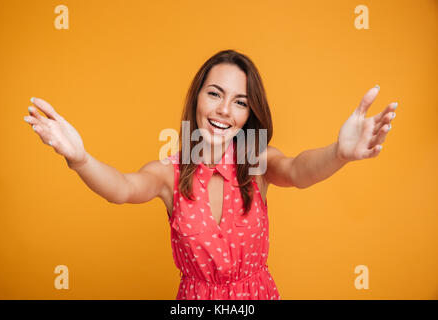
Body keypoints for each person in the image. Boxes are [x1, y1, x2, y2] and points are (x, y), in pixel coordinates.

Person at [23, 49, 398, 300]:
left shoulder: (257, 162)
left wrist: (339, 154)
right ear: (197, 98)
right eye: (214, 94)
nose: (224, 110)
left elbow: (300, 170)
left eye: (240, 102)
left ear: (249, 114)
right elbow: (122, 188)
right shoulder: (168, 173)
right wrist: (79, 158)